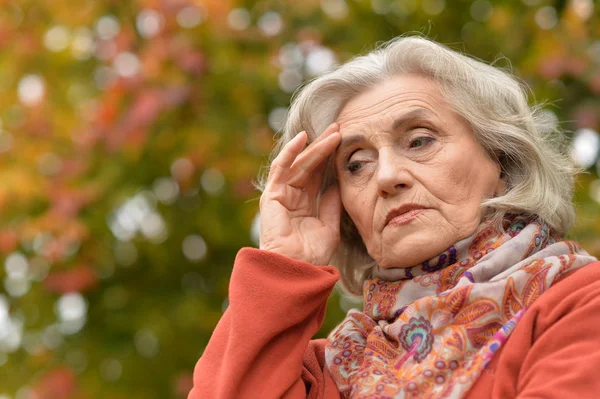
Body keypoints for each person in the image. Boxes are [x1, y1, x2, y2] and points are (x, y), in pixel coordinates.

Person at [188, 36, 600, 399]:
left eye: (419, 141)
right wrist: (283, 262)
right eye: (357, 164)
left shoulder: (580, 304)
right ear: (347, 213)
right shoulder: (322, 372)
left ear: (502, 161)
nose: (386, 177)